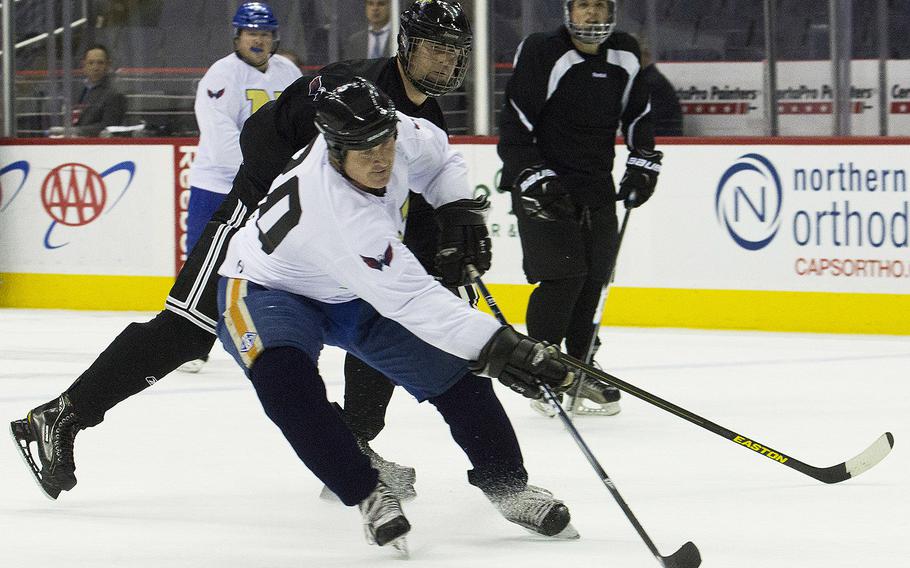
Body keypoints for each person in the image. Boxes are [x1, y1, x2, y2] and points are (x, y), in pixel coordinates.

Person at [8, 0, 471, 503]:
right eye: (434, 48)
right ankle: (59, 416)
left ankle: (352, 445)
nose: (444, 61)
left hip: (324, 247)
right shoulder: (349, 82)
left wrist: (447, 247)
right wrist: (279, 201)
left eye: (453, 52)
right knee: (187, 330)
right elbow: (261, 132)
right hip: (255, 222)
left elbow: (412, 203)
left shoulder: (431, 119)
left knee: (382, 321)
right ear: (407, 45)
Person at [217, 76, 578, 551]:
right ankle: (368, 493)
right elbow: (413, 301)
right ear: (333, 150)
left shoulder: (398, 132)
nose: (382, 158)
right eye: (364, 150)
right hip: (267, 289)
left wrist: (457, 209)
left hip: (348, 289)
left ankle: (507, 485)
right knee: (285, 383)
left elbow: (443, 157)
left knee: (454, 374)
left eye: (385, 142)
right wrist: (505, 347)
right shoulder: (340, 212)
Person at [497, 0, 663, 416]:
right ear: (569, 11)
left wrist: (643, 164)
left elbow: (639, 115)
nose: (591, 15)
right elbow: (516, 121)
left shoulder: (625, 52)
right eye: (583, 5)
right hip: (542, 184)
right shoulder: (543, 51)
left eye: (599, 6)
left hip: (595, 185)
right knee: (563, 276)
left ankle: (582, 364)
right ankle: (542, 369)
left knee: (594, 278)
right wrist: (532, 175)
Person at [179, 1, 301, 373]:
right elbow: (220, 137)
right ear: (238, 36)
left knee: (273, 262)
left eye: (265, 34)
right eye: (252, 33)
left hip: (272, 186)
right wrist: (267, 174)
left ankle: (276, 331)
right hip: (218, 186)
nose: (259, 40)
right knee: (204, 263)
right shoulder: (221, 75)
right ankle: (190, 342)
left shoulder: (288, 72)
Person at [70, 44, 127, 137]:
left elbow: (108, 127)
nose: (95, 67)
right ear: (83, 65)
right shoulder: (77, 90)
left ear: (108, 65)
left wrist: (76, 131)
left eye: (100, 63)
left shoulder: (115, 95)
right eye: (91, 63)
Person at [638, 36, 683, 137]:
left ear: (645, 56)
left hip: (663, 138)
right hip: (663, 135)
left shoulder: (650, 81)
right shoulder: (650, 77)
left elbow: (647, 118)